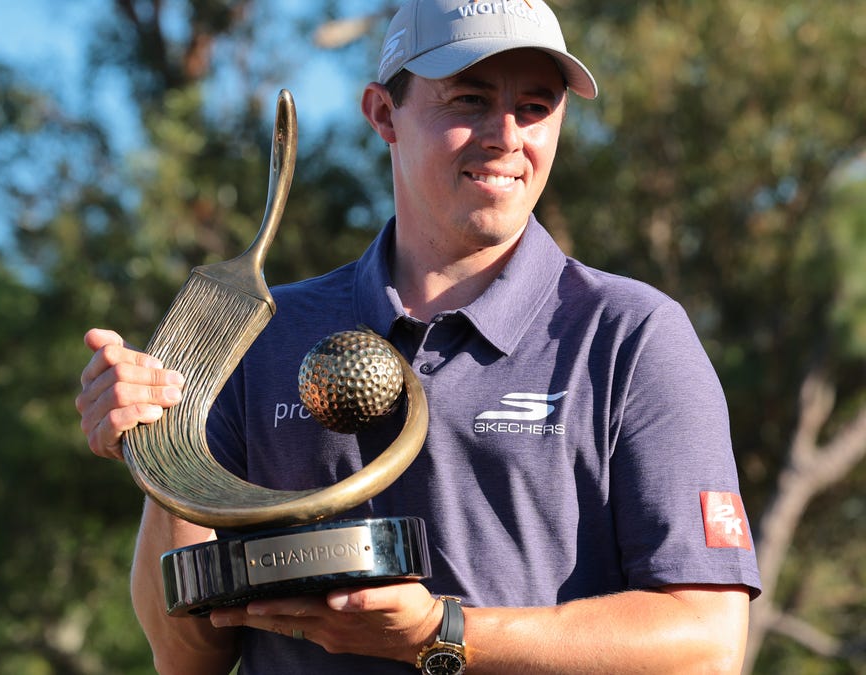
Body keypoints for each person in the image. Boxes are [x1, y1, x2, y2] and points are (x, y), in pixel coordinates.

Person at [76, 0, 761, 672]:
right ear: (382, 113)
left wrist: (440, 632)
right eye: (468, 99)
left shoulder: (630, 335)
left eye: (536, 105)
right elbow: (185, 655)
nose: (506, 134)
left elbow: (705, 643)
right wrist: (158, 443)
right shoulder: (262, 339)